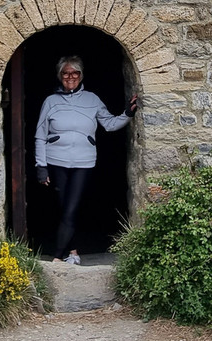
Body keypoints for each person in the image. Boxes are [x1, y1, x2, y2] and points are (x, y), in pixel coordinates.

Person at [34, 55, 138, 264]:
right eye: (66, 73)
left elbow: (108, 123)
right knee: (64, 208)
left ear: (81, 76)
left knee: (71, 207)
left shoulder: (92, 99)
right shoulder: (50, 101)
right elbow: (40, 134)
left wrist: (127, 113)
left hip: (84, 162)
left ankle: (57, 257)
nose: (70, 76)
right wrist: (41, 166)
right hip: (56, 160)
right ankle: (72, 253)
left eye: (75, 73)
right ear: (60, 76)